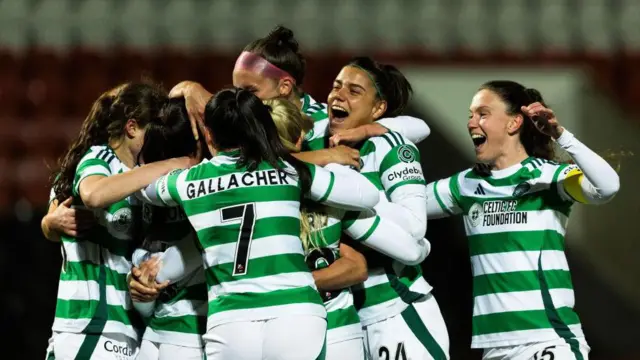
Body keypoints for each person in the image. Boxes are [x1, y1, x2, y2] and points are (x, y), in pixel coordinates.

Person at [102, 87, 382, 360]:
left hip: (231, 321)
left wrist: (180, 162)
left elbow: (141, 187)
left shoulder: (188, 182)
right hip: (296, 314)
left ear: (209, 135)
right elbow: (367, 195)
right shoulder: (289, 170)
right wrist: (316, 159)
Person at [426, 80, 620, 360]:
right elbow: (405, 207)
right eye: (470, 115)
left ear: (514, 123)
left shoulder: (548, 178)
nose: (471, 122)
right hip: (494, 346)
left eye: (483, 113)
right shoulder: (465, 185)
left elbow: (607, 186)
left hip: (547, 339)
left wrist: (560, 135)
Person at [43, 82, 192, 360]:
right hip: (89, 325)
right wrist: (173, 163)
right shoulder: (100, 158)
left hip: (129, 329)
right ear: (132, 128)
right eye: (154, 130)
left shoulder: (143, 177)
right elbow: (93, 194)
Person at [169, 25, 431, 169]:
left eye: (250, 92)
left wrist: (369, 129)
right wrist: (190, 86)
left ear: (284, 87)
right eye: (236, 90)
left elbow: (418, 128)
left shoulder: (323, 123)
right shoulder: (244, 118)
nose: (239, 100)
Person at [327, 57, 450, 360]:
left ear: (377, 108)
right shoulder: (318, 140)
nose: (338, 96)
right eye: (336, 87)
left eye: (354, 91)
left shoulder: (389, 147)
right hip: (341, 321)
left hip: (396, 310)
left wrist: (353, 196)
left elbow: (415, 226)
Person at [130, 98, 209, 360]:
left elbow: (198, 249)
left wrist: (145, 272)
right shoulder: (147, 192)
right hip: (162, 331)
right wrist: (141, 280)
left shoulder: (141, 185)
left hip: (189, 332)